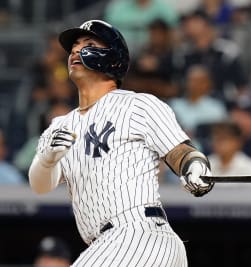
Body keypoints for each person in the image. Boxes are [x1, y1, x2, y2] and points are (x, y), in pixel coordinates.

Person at [28, 19, 214, 266]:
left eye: (88, 44)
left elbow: (180, 152)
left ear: (111, 57)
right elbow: (40, 186)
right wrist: (47, 159)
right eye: (74, 46)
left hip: (139, 234)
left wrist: (195, 166)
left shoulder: (137, 105)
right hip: (109, 245)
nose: (75, 50)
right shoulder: (60, 125)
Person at [169, 65, 227, 135]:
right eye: (191, 80)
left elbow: (220, 133)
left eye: (199, 81)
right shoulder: (174, 105)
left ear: (208, 83)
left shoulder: (216, 108)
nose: (194, 84)